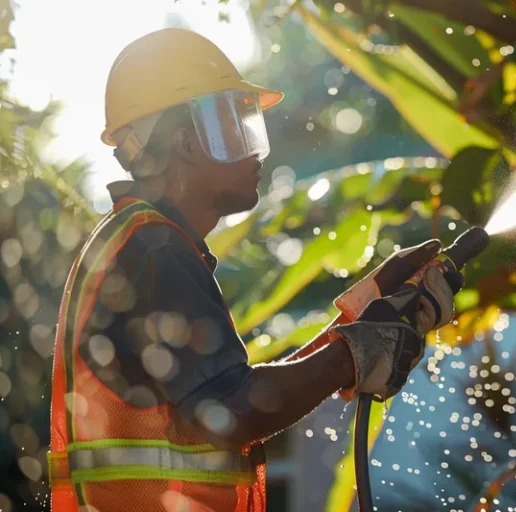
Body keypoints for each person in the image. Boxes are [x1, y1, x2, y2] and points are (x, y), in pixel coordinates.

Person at [47, 28, 462, 512]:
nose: (255, 152)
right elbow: (228, 412)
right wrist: (356, 353)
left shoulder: (145, 241)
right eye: (230, 127)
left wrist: (364, 316)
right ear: (184, 141)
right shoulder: (153, 247)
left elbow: (230, 389)